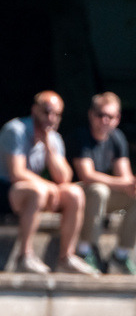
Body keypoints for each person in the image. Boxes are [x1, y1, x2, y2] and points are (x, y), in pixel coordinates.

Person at [0, 91, 99, 275]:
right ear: (34, 110)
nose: (51, 118)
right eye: (46, 112)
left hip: (35, 190)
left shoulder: (53, 137)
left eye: (56, 114)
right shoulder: (16, 130)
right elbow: (16, 173)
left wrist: (48, 145)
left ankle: (67, 257)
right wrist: (48, 186)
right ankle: (25, 256)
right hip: (5, 189)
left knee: (74, 193)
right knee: (37, 191)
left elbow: (64, 177)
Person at [68, 92, 136, 275]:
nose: (105, 120)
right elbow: (87, 175)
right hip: (75, 194)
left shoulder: (117, 138)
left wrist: (135, 184)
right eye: (100, 115)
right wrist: (123, 184)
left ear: (117, 119)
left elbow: (124, 176)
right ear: (91, 115)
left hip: (100, 195)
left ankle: (121, 254)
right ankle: (84, 251)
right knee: (99, 190)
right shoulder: (81, 136)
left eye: (110, 116)